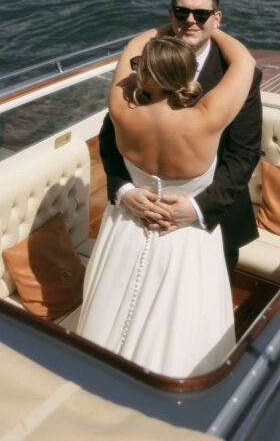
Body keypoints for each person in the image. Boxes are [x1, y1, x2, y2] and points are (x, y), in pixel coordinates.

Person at [77, 32, 251, 376]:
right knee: (181, 328)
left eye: (140, 67)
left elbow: (129, 49)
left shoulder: (122, 112)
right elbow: (244, 61)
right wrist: (209, 27)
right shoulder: (208, 117)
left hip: (128, 228)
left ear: (146, 76)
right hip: (185, 235)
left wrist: (164, 28)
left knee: (112, 312)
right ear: (188, 76)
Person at [99, 0, 263, 280]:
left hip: (213, 220)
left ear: (217, 17)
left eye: (201, 15)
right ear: (171, 13)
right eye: (181, 12)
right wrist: (123, 190)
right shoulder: (144, 67)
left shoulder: (140, 67)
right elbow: (109, 138)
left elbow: (244, 153)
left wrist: (200, 208)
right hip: (136, 218)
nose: (190, 21)